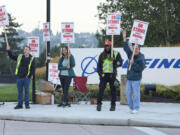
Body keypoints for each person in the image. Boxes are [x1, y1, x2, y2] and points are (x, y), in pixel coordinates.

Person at [122, 30, 145, 114]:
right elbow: (126, 48)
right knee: (127, 94)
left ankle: (136, 108)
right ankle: (131, 108)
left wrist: (133, 63)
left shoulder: (141, 57)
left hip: (136, 79)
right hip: (129, 78)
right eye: (134, 49)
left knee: (136, 94)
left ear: (139, 49)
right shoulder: (131, 54)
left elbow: (141, 68)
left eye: (137, 49)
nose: (135, 50)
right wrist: (124, 37)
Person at [6, 42, 35, 109]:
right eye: (25, 49)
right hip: (19, 77)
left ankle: (27, 104)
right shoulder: (20, 56)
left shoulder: (32, 58)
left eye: (27, 49)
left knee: (27, 91)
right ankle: (20, 104)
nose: (25, 50)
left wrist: (30, 75)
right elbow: (12, 56)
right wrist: (8, 50)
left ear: (29, 51)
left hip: (26, 78)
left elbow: (33, 68)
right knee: (20, 92)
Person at [97, 40, 123, 111]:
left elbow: (120, 63)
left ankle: (113, 105)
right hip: (103, 75)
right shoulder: (102, 54)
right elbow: (99, 66)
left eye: (108, 46)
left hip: (112, 75)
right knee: (101, 90)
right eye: (106, 46)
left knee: (113, 91)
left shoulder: (116, 53)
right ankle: (99, 105)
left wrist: (114, 60)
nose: (107, 47)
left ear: (111, 46)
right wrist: (100, 74)